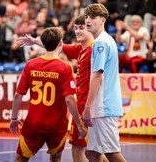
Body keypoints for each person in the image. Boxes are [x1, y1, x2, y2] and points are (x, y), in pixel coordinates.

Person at [17, 15, 99, 162]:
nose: (77, 31)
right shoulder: (79, 49)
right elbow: (54, 45)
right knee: (93, 153)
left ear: (91, 28)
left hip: (86, 107)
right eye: (75, 28)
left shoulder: (96, 49)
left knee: (81, 150)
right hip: (81, 107)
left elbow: (100, 77)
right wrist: (35, 41)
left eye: (82, 27)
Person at [81, 3, 126, 162]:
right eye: (86, 17)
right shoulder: (106, 40)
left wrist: (87, 107)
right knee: (92, 153)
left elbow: (97, 76)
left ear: (103, 20)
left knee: (111, 152)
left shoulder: (100, 43)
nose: (88, 20)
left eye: (92, 17)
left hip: (103, 106)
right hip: (102, 105)